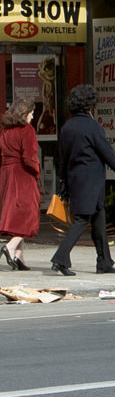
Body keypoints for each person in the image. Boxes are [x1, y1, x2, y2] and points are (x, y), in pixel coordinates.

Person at [49, 85, 115, 275]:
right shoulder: (93, 126)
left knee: (99, 219)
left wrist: (62, 179)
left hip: (75, 179)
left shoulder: (67, 127)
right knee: (82, 220)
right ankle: (60, 258)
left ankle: (104, 261)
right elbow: (105, 149)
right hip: (92, 180)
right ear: (90, 104)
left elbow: (62, 157)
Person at [1, 97, 41, 271]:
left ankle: (19, 256)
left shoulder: (5, 129)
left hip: (6, 173)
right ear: (25, 113)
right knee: (29, 213)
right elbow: (29, 157)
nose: (32, 116)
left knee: (17, 214)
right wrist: (37, 171)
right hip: (22, 174)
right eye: (31, 113)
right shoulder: (27, 130)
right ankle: (10, 247)